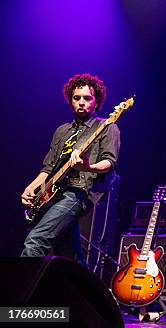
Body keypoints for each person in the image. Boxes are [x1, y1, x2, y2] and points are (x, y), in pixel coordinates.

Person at [21, 74, 120, 266]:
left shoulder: (107, 126)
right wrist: (30, 188)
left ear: (97, 101)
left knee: (34, 242)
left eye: (87, 98)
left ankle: (24, 293)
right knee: (71, 257)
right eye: (77, 98)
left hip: (78, 194)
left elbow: (109, 162)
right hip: (54, 195)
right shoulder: (62, 130)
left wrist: (88, 166)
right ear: (70, 100)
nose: (81, 102)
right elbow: (48, 168)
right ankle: (85, 295)